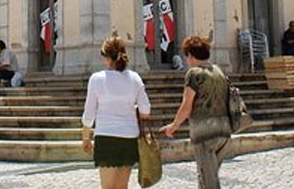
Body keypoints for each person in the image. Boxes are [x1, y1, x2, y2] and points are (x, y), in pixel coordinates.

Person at [161, 36, 231, 189]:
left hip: (205, 133)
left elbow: (186, 106)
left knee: (208, 182)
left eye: (187, 56)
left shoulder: (194, 74)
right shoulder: (218, 71)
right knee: (207, 177)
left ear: (191, 56)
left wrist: (173, 126)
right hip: (224, 131)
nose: (186, 60)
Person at [81, 37, 151, 189]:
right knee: (122, 186)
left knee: (107, 187)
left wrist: (86, 138)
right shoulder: (135, 78)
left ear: (107, 57)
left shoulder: (96, 79)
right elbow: (146, 109)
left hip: (106, 136)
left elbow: (89, 114)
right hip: (128, 137)